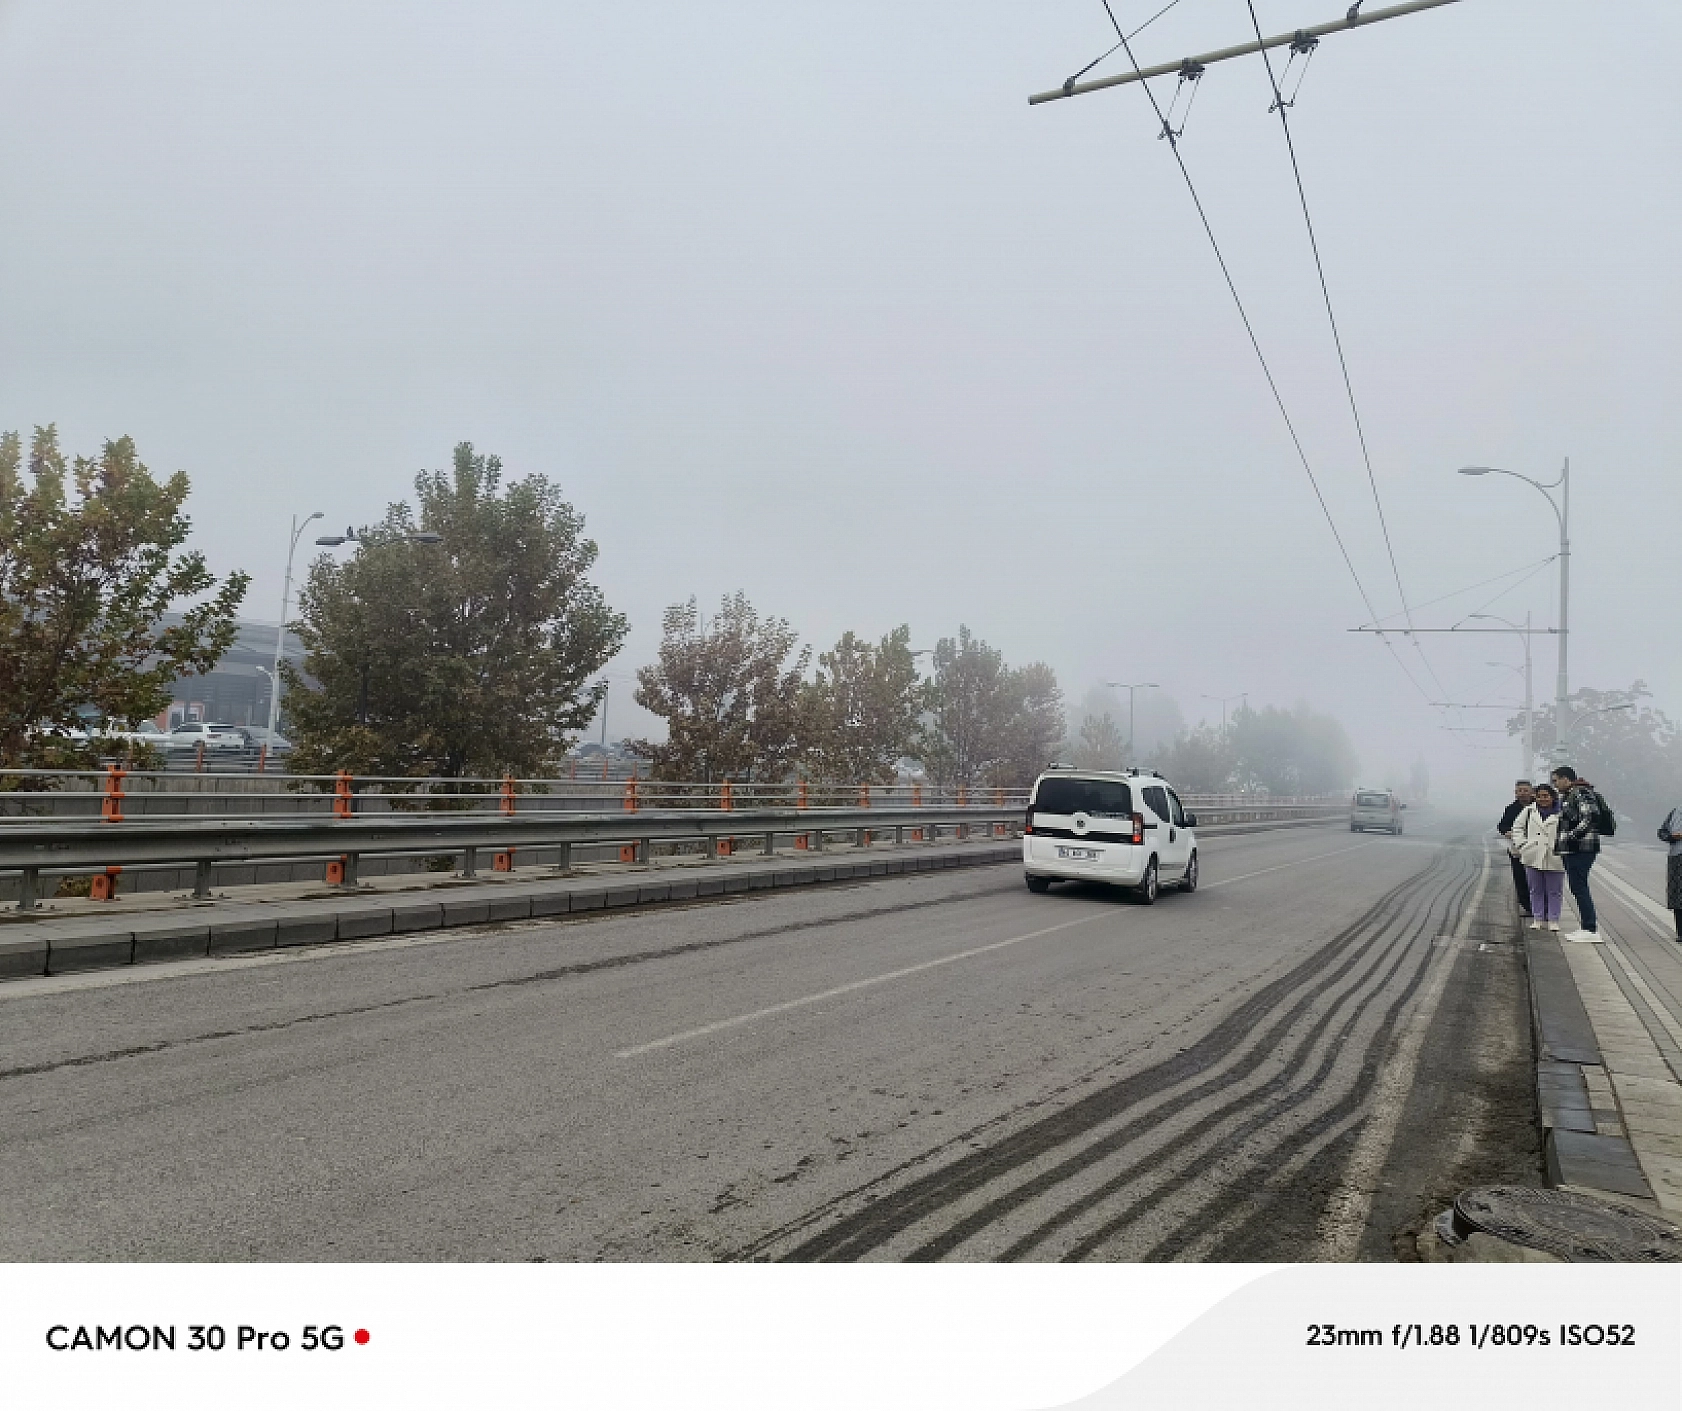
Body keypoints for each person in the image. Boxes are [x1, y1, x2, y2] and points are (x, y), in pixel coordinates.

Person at [1552, 765, 1608, 942]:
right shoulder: (1571, 794)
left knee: (1579, 887)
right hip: (1574, 848)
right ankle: (1586, 926)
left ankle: (1590, 929)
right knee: (1578, 887)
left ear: (1566, 778)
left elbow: (1591, 816)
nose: (1555, 785)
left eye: (1556, 781)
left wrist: (1571, 836)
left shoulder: (1580, 792)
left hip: (1581, 848)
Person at [1515, 783, 1565, 932]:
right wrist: (1523, 845)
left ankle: (1553, 919)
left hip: (1554, 855)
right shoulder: (1529, 811)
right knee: (1535, 889)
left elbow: (1569, 830)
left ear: (1552, 797)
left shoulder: (1562, 812)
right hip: (1533, 854)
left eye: (1546, 796)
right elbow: (1517, 827)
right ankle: (1538, 918)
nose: (1542, 799)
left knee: (1554, 890)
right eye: (1539, 796)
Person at [1496, 780, 1535, 918]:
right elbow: (1502, 825)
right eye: (1519, 791)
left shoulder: (1539, 806)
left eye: (1525, 790)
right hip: (1517, 849)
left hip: (1537, 848)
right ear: (1515, 793)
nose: (1522, 794)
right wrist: (1507, 832)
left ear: (1532, 792)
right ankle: (1527, 906)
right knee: (1520, 877)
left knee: (1536, 877)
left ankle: (1540, 905)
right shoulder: (1511, 809)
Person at [1660, 802, 1682, 942]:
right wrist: (1672, 837)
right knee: (1677, 895)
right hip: (1676, 857)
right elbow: (1662, 832)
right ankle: (1681, 932)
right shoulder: (1675, 811)